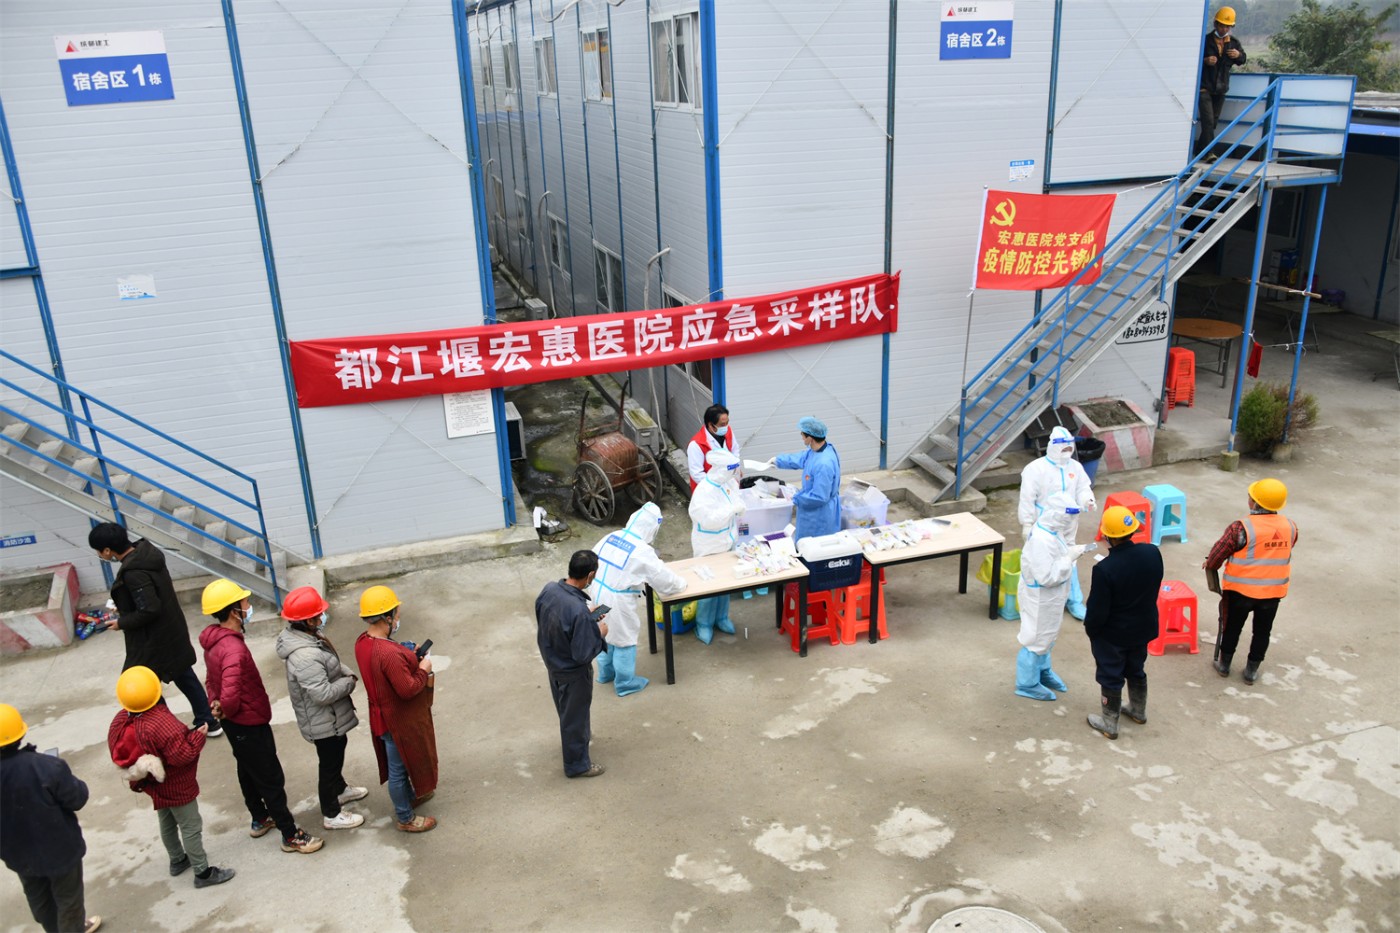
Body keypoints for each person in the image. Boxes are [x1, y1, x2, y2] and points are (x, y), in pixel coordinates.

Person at [198, 579, 324, 854]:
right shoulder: (233, 649)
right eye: (244, 602)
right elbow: (230, 693)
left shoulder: (214, 642)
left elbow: (211, 680)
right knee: (270, 777)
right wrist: (225, 706)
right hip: (248, 722)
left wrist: (215, 704)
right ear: (234, 611)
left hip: (235, 724)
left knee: (247, 768)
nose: (249, 605)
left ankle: (259, 817)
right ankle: (290, 834)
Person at [106, 666, 235, 890]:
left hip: (152, 783)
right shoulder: (161, 722)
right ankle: (202, 872)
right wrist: (198, 737)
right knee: (191, 825)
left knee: (166, 821)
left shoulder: (120, 720)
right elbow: (181, 755)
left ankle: (177, 860)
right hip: (176, 784)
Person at [88, 522, 219, 735]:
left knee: (138, 684)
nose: (98, 554)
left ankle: (165, 731)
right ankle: (208, 721)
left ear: (108, 550)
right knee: (183, 674)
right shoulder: (146, 555)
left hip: (153, 640)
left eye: (98, 550)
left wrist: (121, 623)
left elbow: (149, 609)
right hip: (171, 629)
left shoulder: (133, 572)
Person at [1, 703, 101, 933]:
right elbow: (77, 798)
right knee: (69, 902)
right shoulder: (46, 767)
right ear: (20, 734)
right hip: (60, 850)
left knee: (41, 902)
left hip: (19, 855)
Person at [275, 586, 368, 830]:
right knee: (329, 764)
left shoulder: (309, 637)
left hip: (329, 719)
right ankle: (331, 813)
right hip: (323, 721)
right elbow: (322, 693)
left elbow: (330, 663)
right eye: (318, 614)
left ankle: (340, 790)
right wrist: (348, 683)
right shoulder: (304, 655)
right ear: (307, 620)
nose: (322, 617)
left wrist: (345, 672)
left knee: (336, 753)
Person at [354, 585, 438, 832]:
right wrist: (423, 669)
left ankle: (409, 797)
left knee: (399, 766)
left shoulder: (363, 642)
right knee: (399, 770)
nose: (399, 618)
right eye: (396, 614)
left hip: (382, 716)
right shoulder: (388, 653)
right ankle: (405, 817)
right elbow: (408, 689)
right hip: (396, 721)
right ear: (387, 618)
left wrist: (406, 653)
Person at [1203, 477, 1298, 685]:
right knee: (1262, 632)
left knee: (1232, 628)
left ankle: (1224, 665)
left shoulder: (1240, 528)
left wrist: (1211, 564)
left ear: (1254, 503)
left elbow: (1218, 553)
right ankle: (1251, 671)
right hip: (1272, 593)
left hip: (1240, 592)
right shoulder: (1291, 527)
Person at [1083, 506, 1164, 740]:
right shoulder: (1152, 552)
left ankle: (1110, 723)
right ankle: (1138, 711)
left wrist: (1092, 631)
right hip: (1143, 628)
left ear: (1108, 536)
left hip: (1113, 635)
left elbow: (1097, 610)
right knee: (1136, 668)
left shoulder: (1105, 569)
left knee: (1110, 674)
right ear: (1132, 531)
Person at [588, 502, 685, 693]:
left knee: (603, 633)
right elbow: (664, 580)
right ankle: (625, 684)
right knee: (624, 640)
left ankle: (605, 674)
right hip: (617, 601)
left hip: (596, 592)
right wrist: (681, 583)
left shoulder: (612, 536)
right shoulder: (642, 550)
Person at [535, 550, 609, 778]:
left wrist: (586, 618)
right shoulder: (577, 610)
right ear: (590, 575)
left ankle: (577, 740)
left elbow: (553, 621)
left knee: (567, 711)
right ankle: (578, 765)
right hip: (573, 674)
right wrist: (598, 633)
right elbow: (583, 653)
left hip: (554, 663)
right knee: (575, 717)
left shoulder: (550, 590)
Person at [1014, 492, 1094, 702]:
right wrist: (1068, 559)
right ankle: (1027, 683)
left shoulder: (1052, 530)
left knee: (1047, 637)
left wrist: (1070, 552)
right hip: (1041, 598)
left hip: (1051, 598)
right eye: (1067, 519)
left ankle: (1042, 671)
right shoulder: (1041, 539)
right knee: (1035, 639)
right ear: (1057, 515)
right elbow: (1046, 576)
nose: (1069, 523)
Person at [1017, 425, 1097, 620]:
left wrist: (1087, 500)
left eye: (1069, 449)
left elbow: (1083, 488)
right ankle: (1036, 598)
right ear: (1053, 446)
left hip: (1068, 524)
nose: (1067, 453)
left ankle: (1073, 600)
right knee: (1042, 560)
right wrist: (1027, 523)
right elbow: (1027, 498)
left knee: (1070, 557)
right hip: (1044, 526)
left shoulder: (1075, 468)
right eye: (1063, 449)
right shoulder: (1035, 469)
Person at [687, 449, 745, 644]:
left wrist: (739, 506)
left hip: (728, 542)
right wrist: (731, 509)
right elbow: (708, 520)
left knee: (725, 584)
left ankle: (722, 618)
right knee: (709, 588)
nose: (734, 474)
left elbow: (736, 499)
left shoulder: (728, 483)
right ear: (721, 470)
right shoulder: (704, 491)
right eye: (731, 470)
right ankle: (703, 623)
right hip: (709, 546)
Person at [772, 416, 841, 543]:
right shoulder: (819, 449)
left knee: (814, 546)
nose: (801, 436)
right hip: (811, 506)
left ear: (810, 438)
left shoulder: (823, 464)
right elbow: (801, 458)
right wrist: (777, 461)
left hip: (819, 515)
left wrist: (795, 498)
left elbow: (820, 497)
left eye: (803, 434)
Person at [1197, 6, 1246, 159]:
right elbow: (1194, 60)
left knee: (1213, 122)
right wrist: (1205, 61)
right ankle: (1209, 153)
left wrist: (1238, 55)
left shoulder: (1234, 43)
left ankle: (1200, 150)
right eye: (1222, 25)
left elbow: (1243, 60)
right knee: (1208, 121)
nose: (1224, 29)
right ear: (1215, 24)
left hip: (1220, 89)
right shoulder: (1205, 41)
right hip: (1204, 88)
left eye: (1227, 26)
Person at [686, 403, 742, 492]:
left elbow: (735, 451)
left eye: (727, 422)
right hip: (708, 491)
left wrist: (736, 469)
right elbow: (697, 474)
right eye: (722, 424)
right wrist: (718, 485)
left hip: (729, 486)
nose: (726, 426)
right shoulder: (696, 444)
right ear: (710, 425)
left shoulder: (728, 431)